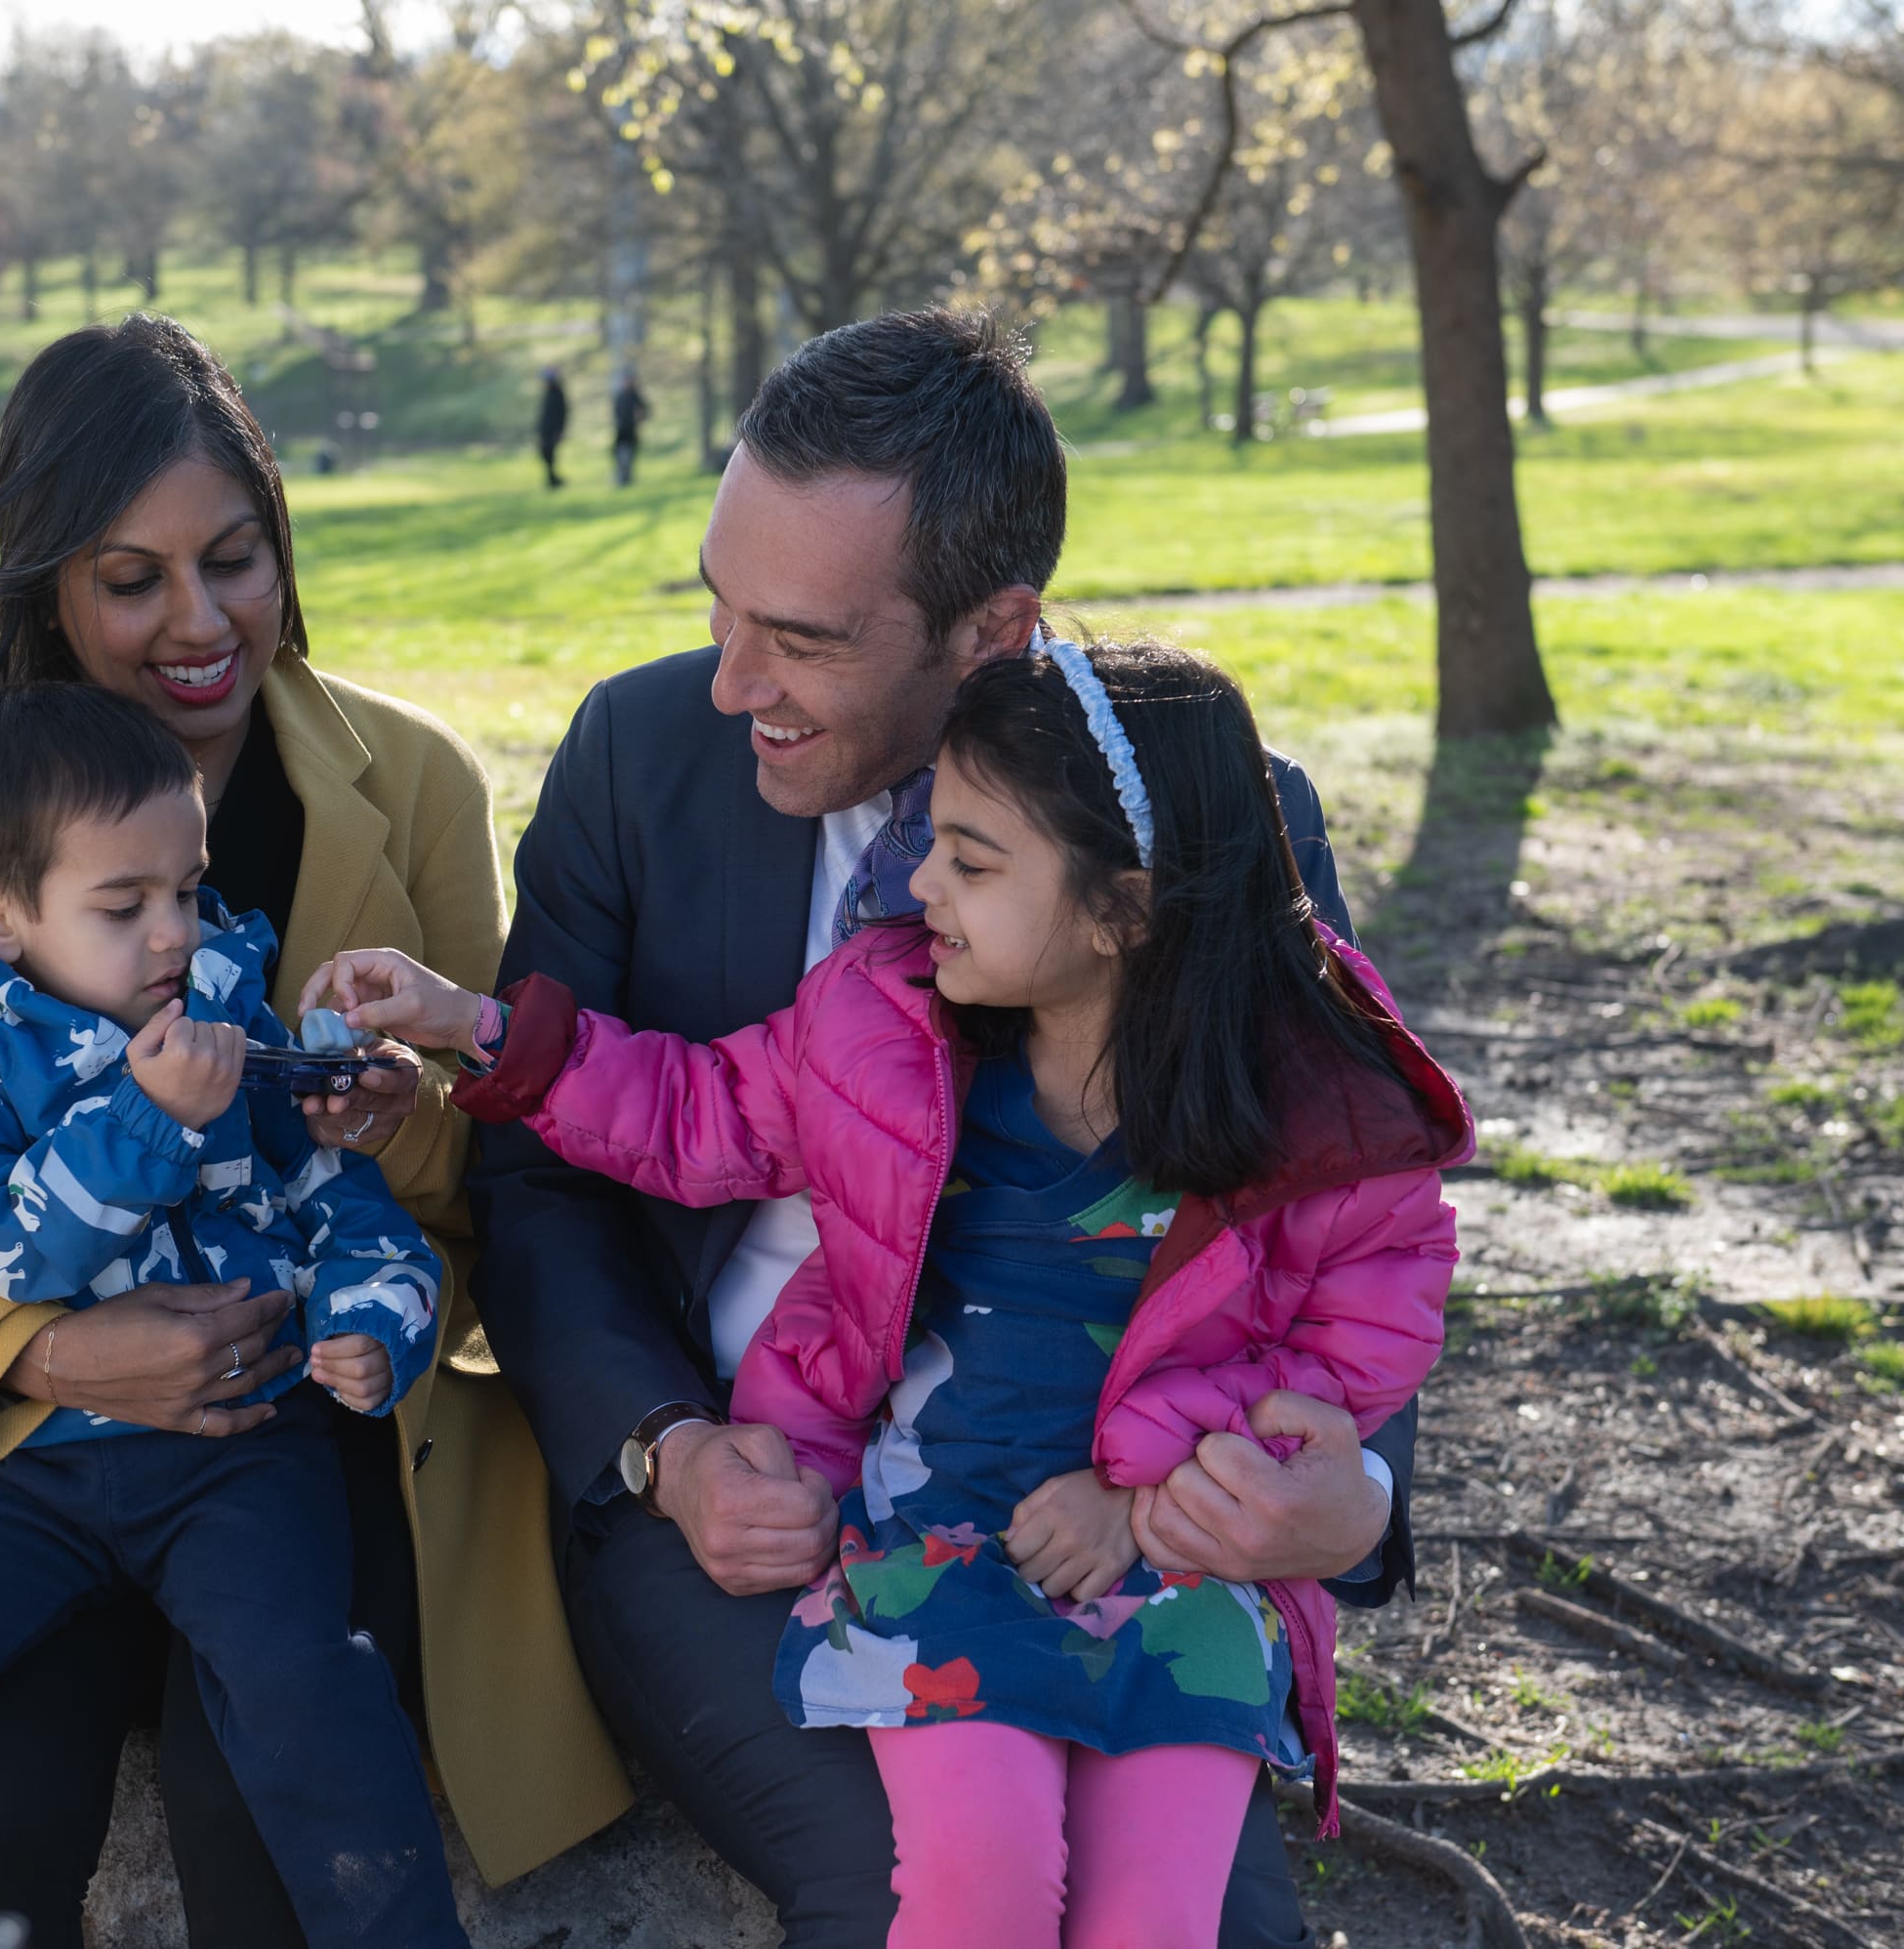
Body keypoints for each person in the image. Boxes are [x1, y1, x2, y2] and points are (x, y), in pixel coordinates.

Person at [457, 309, 1421, 1947]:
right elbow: (539, 1178)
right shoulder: (638, 755)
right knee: (920, 1895)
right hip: (748, 1504)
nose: (729, 678)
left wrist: (1354, 1501)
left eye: (804, 637)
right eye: (717, 602)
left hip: (1113, 1524)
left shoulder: (1206, 821)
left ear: (992, 628)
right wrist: (665, 1449)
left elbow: (1345, 1209)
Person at [311, 638, 1467, 1946]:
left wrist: (1161, 1503)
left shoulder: (1301, 1100)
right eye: (934, 844)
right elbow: (696, 1110)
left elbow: (1366, 1327)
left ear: (1124, 911)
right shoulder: (884, 1023)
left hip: (1181, 1574)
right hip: (937, 1551)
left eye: (972, 863)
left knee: (1158, 1922)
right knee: (984, 1888)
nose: (922, 886)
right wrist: (475, 1023)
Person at [0, 312, 628, 1949]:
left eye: (236, 558)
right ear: (46, 582)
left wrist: (397, 1121)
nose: (200, 621)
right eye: (130, 578)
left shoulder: (411, 781)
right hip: (22, 1423)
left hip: (312, 1420)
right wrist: (40, 1356)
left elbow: (497, 1174)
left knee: (270, 1800)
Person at [0, 684, 460, 1949]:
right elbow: (6, 1250)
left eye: (187, 893)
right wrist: (151, 1122)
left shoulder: (231, 1026)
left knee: (312, 1683)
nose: (173, 935)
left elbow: (345, 1210)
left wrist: (375, 1323)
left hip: (244, 1455)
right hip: (24, 1468)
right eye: (123, 906)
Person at [610, 368, 649, 487]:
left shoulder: (635, 396)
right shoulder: (620, 396)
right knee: (619, 455)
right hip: (621, 430)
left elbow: (644, 411)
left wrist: (639, 418)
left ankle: (627, 477)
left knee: (630, 455)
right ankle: (621, 477)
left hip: (632, 430)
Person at [536, 365, 570, 488]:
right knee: (545, 454)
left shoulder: (558, 393)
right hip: (545, 430)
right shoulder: (548, 393)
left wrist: (560, 431)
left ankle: (553, 479)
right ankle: (552, 478)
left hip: (553, 431)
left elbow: (562, 413)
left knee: (550, 454)